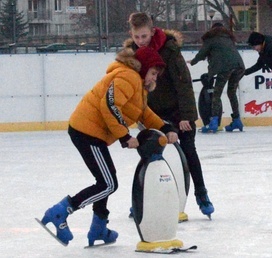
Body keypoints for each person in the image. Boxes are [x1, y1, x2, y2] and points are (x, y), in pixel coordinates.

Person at [38, 46, 178, 246]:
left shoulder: (137, 86)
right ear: (144, 68)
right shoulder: (128, 77)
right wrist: (125, 136)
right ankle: (61, 211)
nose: (155, 78)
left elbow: (143, 114)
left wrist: (165, 127)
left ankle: (98, 227)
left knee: (105, 181)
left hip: (92, 133)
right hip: (87, 132)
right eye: (153, 73)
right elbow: (109, 105)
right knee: (108, 183)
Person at [125, 12, 214, 219]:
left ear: (152, 31)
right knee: (150, 157)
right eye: (137, 37)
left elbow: (183, 83)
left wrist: (186, 116)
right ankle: (145, 201)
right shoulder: (131, 54)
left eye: (144, 37)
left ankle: (201, 194)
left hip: (177, 111)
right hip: (151, 114)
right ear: (132, 34)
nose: (141, 41)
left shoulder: (169, 49)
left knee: (188, 152)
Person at [188, 22, 245, 133]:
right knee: (231, 92)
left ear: (212, 29)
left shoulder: (211, 38)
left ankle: (214, 122)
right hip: (239, 66)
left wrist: (193, 61)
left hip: (225, 68)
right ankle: (237, 119)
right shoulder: (228, 38)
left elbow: (202, 53)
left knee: (216, 94)